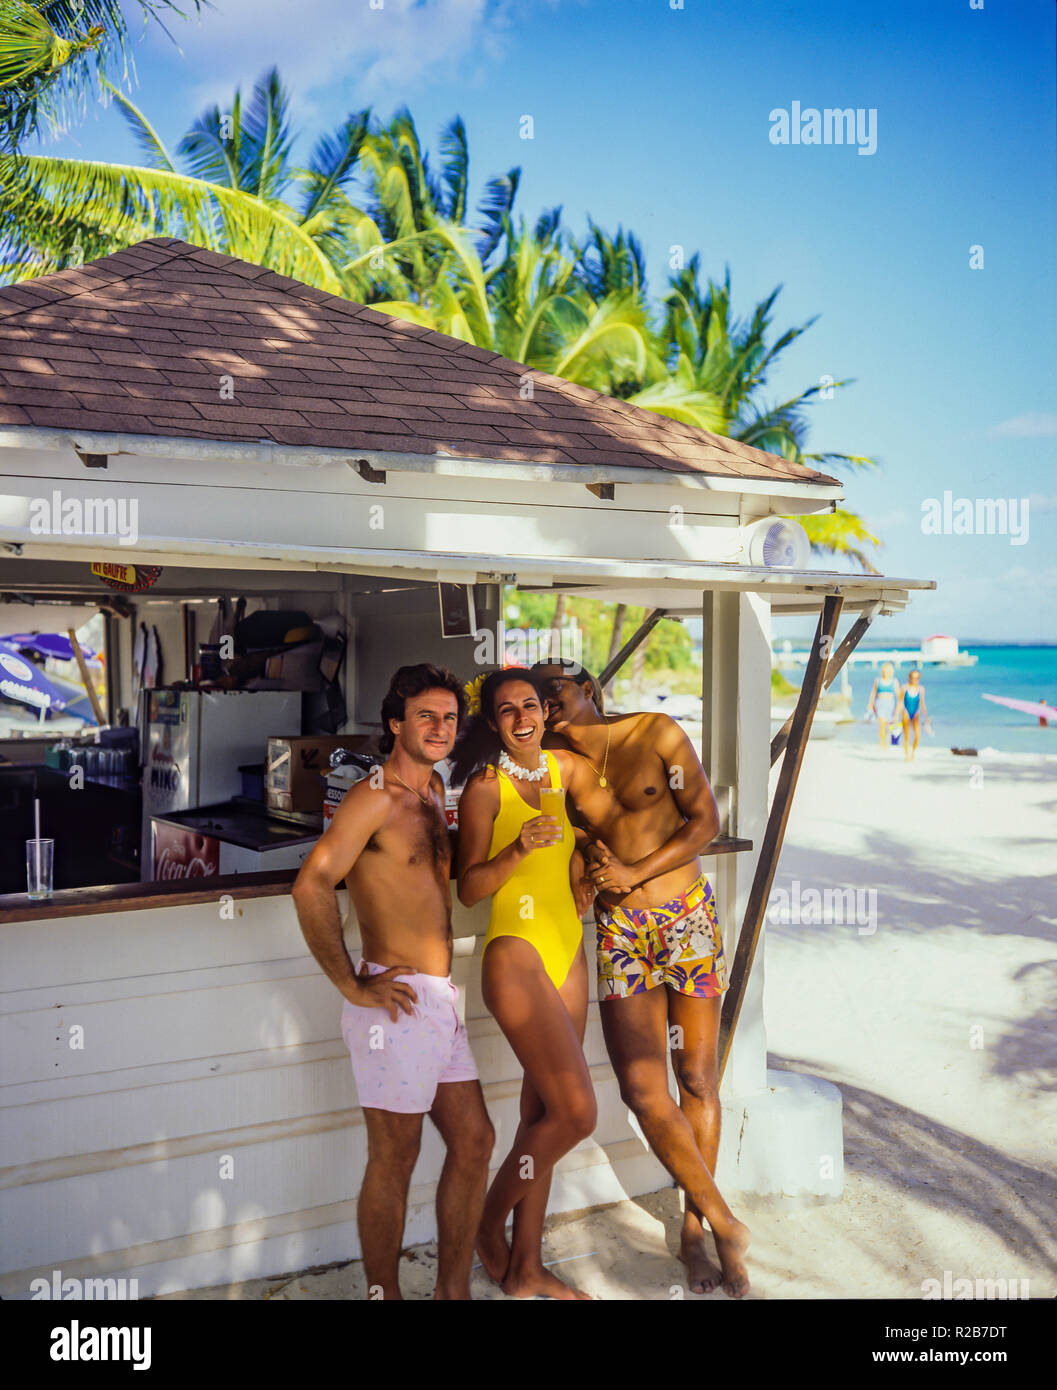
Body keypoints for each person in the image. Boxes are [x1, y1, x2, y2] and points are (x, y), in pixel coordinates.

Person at [532, 658, 751, 1298]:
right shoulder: (553, 768)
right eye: (536, 698)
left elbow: (704, 822)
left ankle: (692, 1233)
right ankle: (725, 1222)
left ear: (588, 689)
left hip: (686, 919)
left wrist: (636, 873)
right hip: (622, 935)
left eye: (556, 690)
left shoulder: (656, 732)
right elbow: (556, 842)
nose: (547, 704)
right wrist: (579, 864)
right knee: (641, 1089)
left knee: (698, 1077)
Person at [292, 663, 494, 1301]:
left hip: (438, 1002)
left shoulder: (436, 792)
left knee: (476, 1140)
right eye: (425, 716)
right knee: (395, 1159)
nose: (440, 728)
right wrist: (352, 984)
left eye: (449, 718)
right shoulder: (373, 797)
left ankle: (451, 1291)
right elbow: (313, 883)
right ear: (395, 724)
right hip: (394, 1003)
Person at [453, 667, 599, 1300]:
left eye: (531, 706)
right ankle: (486, 1226)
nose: (521, 718)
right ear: (492, 722)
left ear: (546, 712)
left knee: (542, 1113)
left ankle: (527, 1268)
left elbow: (573, 851)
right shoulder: (486, 787)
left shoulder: (567, 771)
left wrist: (582, 885)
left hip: (568, 945)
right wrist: (514, 852)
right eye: (506, 710)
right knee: (578, 1113)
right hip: (515, 952)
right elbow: (469, 888)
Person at [867, 662, 901, 749]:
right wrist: (870, 704)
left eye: (887, 670)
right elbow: (873, 693)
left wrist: (898, 709)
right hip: (880, 703)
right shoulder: (878, 680)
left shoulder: (894, 681)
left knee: (887, 725)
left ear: (890, 671)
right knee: (881, 723)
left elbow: (899, 696)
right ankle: (882, 743)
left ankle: (886, 741)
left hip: (890, 704)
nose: (885, 672)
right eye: (884, 670)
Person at [900, 667, 931, 761]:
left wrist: (926, 717)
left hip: (916, 713)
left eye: (917, 678)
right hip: (906, 712)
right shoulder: (904, 687)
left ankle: (913, 752)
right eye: (913, 678)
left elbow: (922, 703)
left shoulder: (921, 689)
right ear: (909, 678)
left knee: (917, 735)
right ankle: (907, 755)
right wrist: (895, 716)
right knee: (907, 736)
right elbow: (900, 702)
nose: (915, 680)